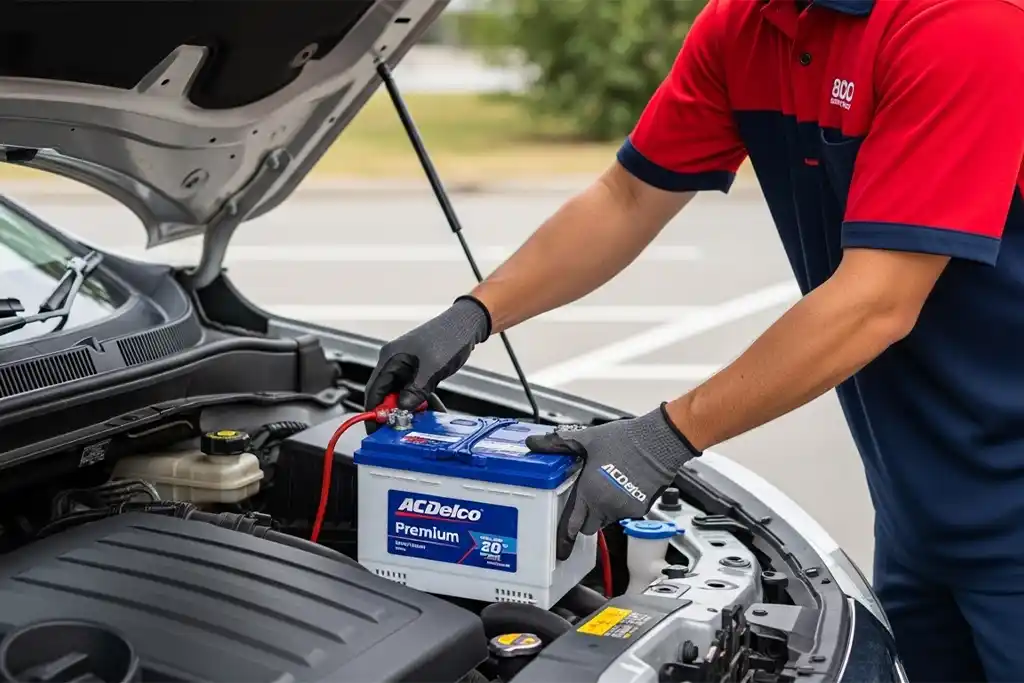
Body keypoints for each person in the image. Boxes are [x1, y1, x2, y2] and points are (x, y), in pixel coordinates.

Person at [364, 0, 1024, 679]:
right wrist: (475, 313)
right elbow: (627, 197)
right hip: (922, 512)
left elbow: (876, 301)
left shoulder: (960, 23)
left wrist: (662, 437)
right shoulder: (745, 26)